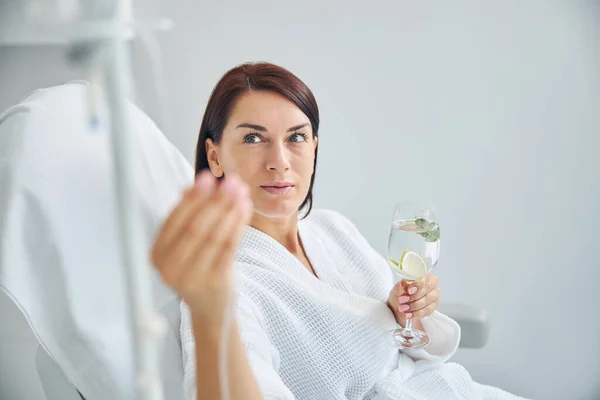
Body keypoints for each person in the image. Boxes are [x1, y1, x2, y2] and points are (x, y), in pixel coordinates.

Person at [151, 62, 526, 400]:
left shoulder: (333, 230)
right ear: (214, 156)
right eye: (253, 138)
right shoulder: (228, 282)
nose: (279, 162)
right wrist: (212, 312)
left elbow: (406, 353)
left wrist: (404, 312)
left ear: (314, 146)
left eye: (296, 137)